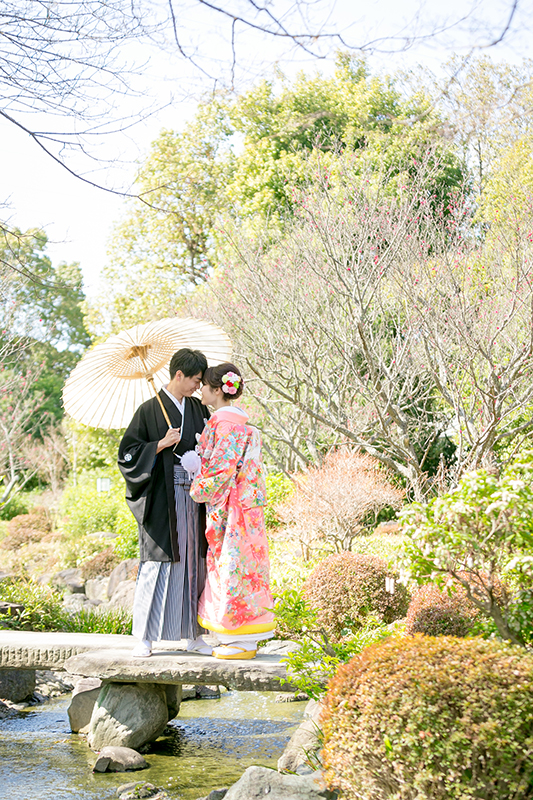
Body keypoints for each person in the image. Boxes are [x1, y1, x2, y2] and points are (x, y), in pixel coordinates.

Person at [118, 348, 212, 658]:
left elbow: (212, 445)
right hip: (163, 497)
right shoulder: (148, 410)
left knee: (194, 563)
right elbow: (127, 455)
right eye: (195, 380)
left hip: (195, 496)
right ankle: (145, 637)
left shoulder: (198, 409)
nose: (198, 386)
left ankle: (194, 635)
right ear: (179, 375)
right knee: (159, 563)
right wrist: (160, 444)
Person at [189, 362, 276, 660]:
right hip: (248, 506)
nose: (200, 390)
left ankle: (240, 638)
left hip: (232, 508)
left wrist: (196, 481)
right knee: (248, 567)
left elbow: (221, 470)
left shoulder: (225, 425)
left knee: (231, 567)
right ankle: (241, 638)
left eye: (203, 385)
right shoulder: (239, 423)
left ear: (217, 390)